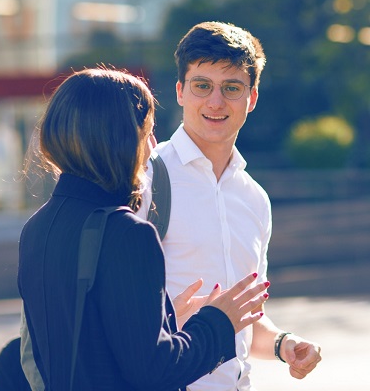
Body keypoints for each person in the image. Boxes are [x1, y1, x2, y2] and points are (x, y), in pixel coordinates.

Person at [17, 66, 270, 390]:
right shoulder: (129, 234)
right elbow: (157, 370)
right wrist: (218, 323)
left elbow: (69, 348)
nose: (152, 145)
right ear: (119, 140)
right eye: (146, 131)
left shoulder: (36, 228)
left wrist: (165, 317)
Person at [137, 21, 322, 390]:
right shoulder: (145, 179)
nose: (216, 101)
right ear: (180, 92)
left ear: (251, 98)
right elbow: (120, 316)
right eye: (202, 85)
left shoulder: (254, 198)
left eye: (232, 88)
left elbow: (248, 326)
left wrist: (286, 344)